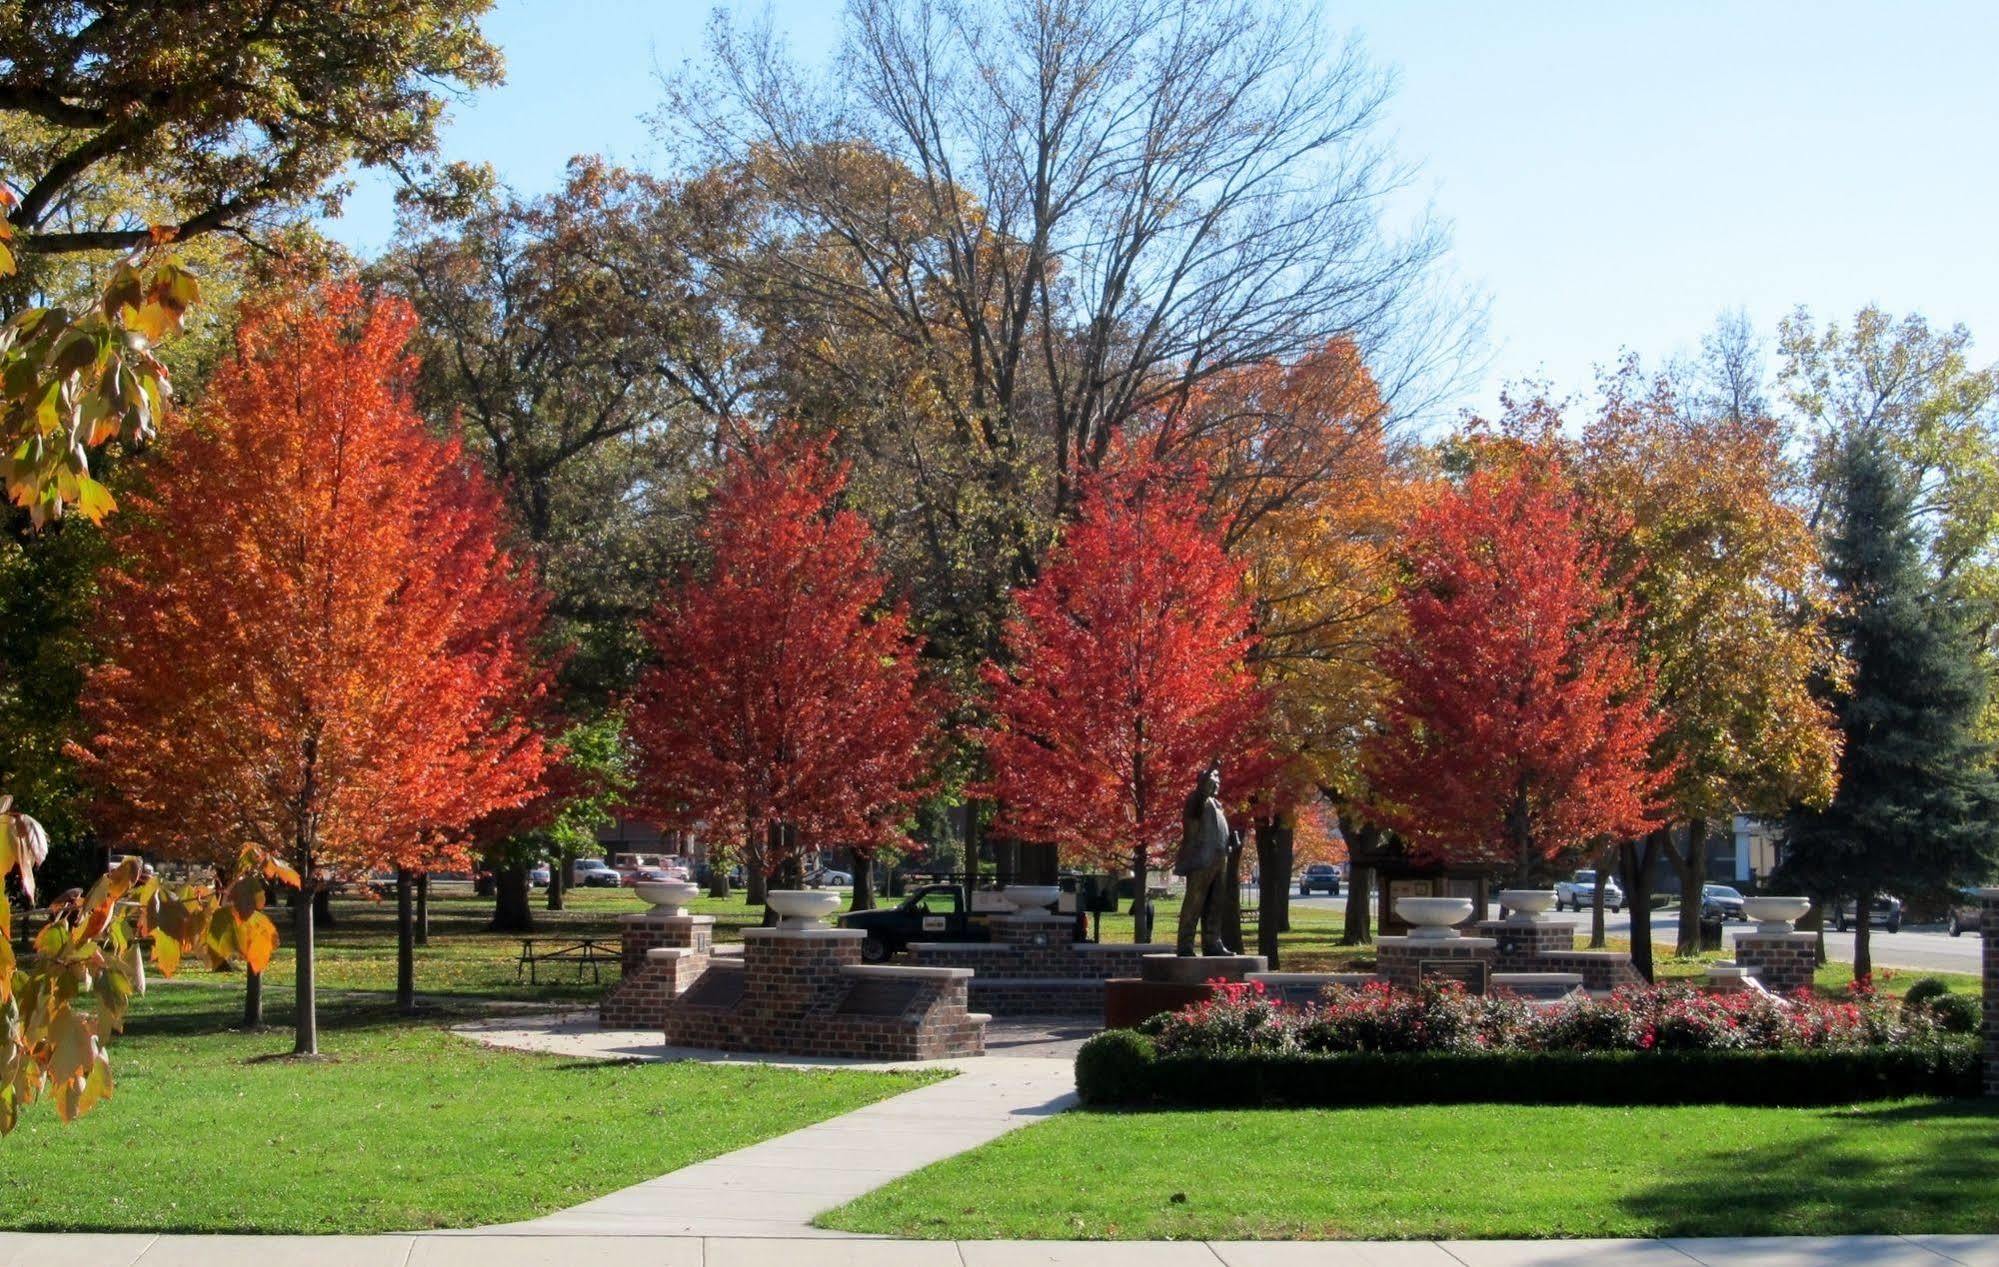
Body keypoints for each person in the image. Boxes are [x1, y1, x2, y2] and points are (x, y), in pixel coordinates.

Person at [1173, 764, 1236, 956]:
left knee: (1215, 903)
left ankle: (1212, 942)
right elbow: (1201, 795)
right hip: (1201, 859)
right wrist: (1209, 773)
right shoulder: (1196, 800)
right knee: (1195, 902)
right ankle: (1185, 944)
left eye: (1217, 781)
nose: (1217, 784)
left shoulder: (1217, 805)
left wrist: (1230, 842)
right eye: (1213, 781)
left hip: (1220, 858)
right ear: (1204, 783)